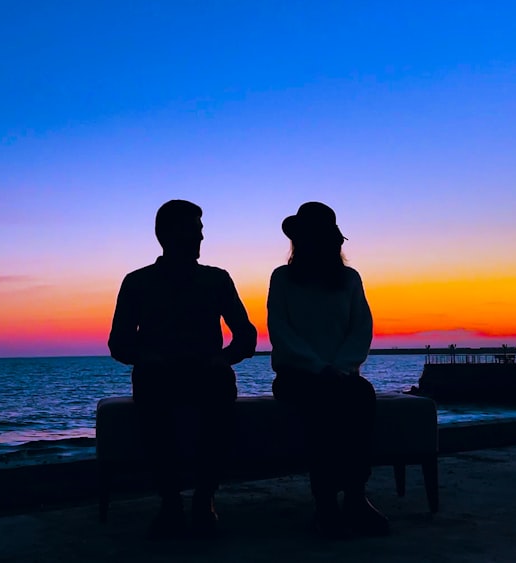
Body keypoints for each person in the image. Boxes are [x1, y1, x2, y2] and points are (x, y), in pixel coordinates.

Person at [109, 199, 257, 539]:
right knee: (152, 394)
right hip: (158, 376)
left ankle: (204, 498)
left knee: (220, 389)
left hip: (207, 374)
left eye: (201, 230)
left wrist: (224, 358)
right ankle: (171, 501)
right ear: (167, 234)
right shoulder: (137, 282)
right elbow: (119, 343)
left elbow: (246, 335)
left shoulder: (217, 280)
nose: (201, 237)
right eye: (194, 229)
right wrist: (146, 358)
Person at [266, 201, 389, 538]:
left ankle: (354, 495)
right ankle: (325, 503)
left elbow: (361, 328)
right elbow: (280, 330)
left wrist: (341, 367)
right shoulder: (283, 279)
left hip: (344, 377)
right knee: (321, 405)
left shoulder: (349, 279)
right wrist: (319, 367)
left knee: (360, 395)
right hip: (295, 377)